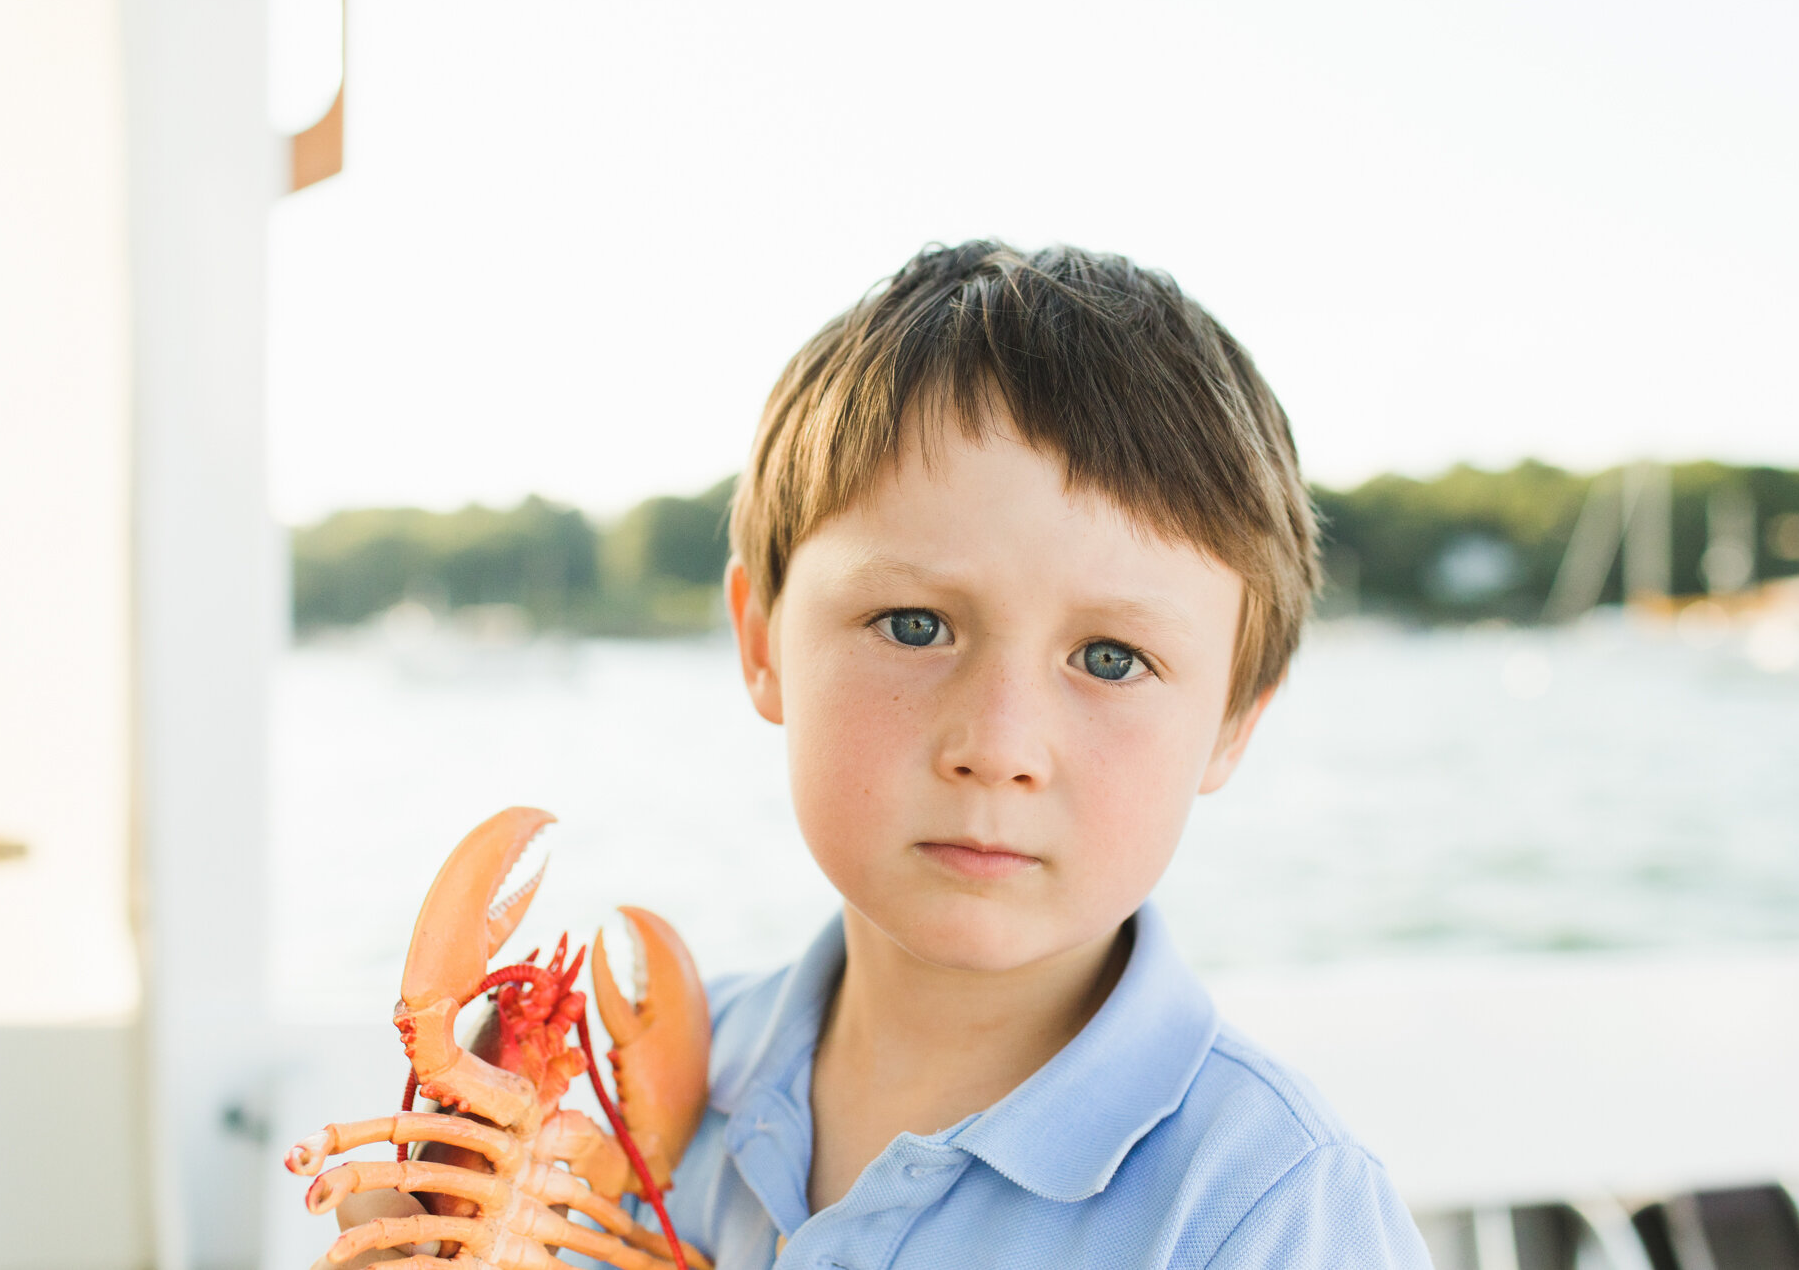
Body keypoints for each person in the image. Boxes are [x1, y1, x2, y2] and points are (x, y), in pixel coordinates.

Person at [331, 242, 1429, 1267]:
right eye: (913, 626)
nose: (996, 747)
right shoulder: (647, 1095)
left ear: (1234, 719)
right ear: (762, 642)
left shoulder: (1274, 1206)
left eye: (1108, 656)